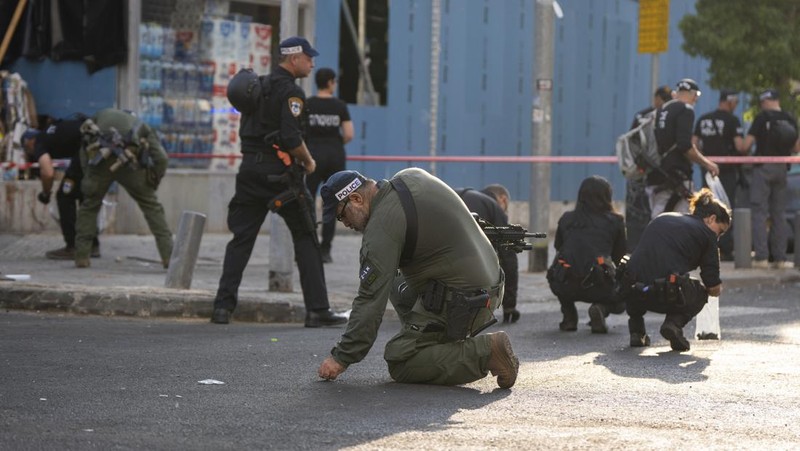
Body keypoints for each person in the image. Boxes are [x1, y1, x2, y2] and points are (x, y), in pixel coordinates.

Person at [316, 168, 520, 389]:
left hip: (467, 300)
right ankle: (433, 340)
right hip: (488, 284)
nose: (344, 223)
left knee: (401, 361)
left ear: (356, 199)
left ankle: (486, 352)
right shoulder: (409, 176)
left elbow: (369, 299)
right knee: (394, 282)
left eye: (341, 215)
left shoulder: (381, 228)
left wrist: (342, 357)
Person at [210, 37, 347, 327]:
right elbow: (290, 137)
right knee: (307, 237)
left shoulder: (255, 87)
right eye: (309, 58)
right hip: (281, 179)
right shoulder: (291, 92)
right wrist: (309, 162)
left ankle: (222, 308)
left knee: (241, 240)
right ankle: (318, 310)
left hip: (249, 173)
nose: (312, 63)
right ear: (294, 58)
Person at [619, 188, 730, 352]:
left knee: (638, 275)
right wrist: (716, 289)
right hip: (664, 293)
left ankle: (637, 331)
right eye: (720, 231)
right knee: (700, 292)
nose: (718, 237)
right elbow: (712, 284)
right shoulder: (707, 235)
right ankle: (673, 324)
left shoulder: (664, 217)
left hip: (632, 290)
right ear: (711, 219)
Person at [74, 108, 173, 268]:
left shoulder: (101, 114)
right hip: (131, 166)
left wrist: (89, 175)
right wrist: (154, 179)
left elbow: (84, 147)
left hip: (100, 165)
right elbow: (161, 158)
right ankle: (169, 258)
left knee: (89, 206)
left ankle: (82, 257)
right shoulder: (142, 125)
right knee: (152, 208)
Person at [547, 176, 627, 334]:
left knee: (557, 269)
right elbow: (620, 256)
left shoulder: (567, 219)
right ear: (607, 196)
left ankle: (569, 316)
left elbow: (558, 247)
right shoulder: (616, 221)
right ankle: (601, 308)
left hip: (566, 284)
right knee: (624, 293)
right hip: (600, 284)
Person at [21, 116, 101, 260]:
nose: (31, 154)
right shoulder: (51, 133)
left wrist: (46, 193)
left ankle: (72, 246)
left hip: (85, 150)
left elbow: (48, 172)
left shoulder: (39, 141)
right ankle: (92, 245)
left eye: (28, 149)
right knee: (84, 196)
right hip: (95, 148)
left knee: (65, 196)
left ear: (29, 142)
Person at [740, 89, 800, 269]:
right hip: (782, 169)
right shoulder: (789, 118)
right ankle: (780, 258)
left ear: (766, 101)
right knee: (779, 214)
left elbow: (746, 145)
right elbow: (797, 147)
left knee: (759, 213)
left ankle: (761, 257)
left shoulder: (762, 118)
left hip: (763, 168)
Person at [647, 78, 719, 219]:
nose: (696, 101)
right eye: (696, 96)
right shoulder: (686, 110)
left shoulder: (661, 110)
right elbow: (685, 145)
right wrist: (707, 164)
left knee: (658, 215)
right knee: (681, 219)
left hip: (657, 171)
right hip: (677, 174)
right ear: (692, 94)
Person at [304, 67, 354, 264]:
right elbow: (349, 134)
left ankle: (308, 245)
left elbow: (301, 133)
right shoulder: (340, 106)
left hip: (312, 157)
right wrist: (334, 144)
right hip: (334, 157)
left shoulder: (308, 104)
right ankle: (326, 250)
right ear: (331, 82)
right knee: (332, 204)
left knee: (307, 200)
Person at [692, 89, 745, 261]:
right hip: (727, 171)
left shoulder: (704, 119)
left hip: (707, 170)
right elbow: (740, 146)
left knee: (707, 207)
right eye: (735, 103)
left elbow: (694, 144)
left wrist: (703, 160)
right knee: (726, 208)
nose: (735, 106)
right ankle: (726, 249)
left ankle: (705, 246)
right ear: (729, 101)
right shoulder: (732, 120)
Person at [458, 184, 520, 323]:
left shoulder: (461, 196)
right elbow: (509, 259)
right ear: (503, 200)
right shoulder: (494, 207)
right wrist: (510, 305)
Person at [626, 85, 673, 251]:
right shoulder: (668, 116)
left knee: (640, 210)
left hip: (640, 169)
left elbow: (631, 141)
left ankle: (638, 245)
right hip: (663, 172)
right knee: (659, 210)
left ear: (656, 98)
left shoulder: (642, 115)